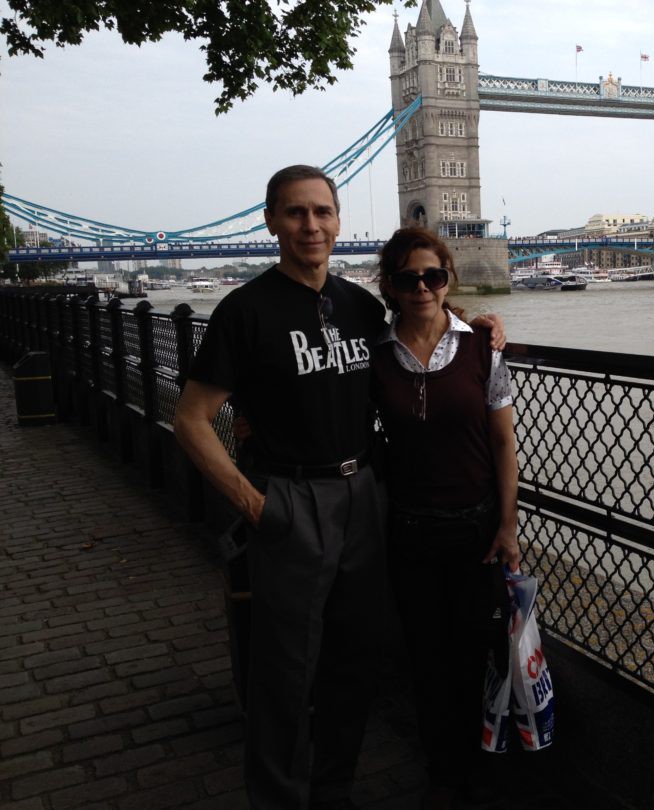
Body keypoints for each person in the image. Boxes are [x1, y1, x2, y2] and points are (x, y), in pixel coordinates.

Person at [173, 166, 502, 809]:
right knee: (286, 674)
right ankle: (280, 797)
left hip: (364, 494)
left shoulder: (358, 306)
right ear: (271, 222)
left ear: (339, 220)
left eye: (323, 212)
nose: (312, 226)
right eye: (296, 214)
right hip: (290, 498)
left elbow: (423, 323)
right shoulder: (245, 311)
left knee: (356, 662)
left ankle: (333, 792)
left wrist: (482, 326)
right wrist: (256, 507)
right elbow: (189, 420)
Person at [372, 226, 521, 808]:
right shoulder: (376, 357)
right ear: (391, 286)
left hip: (476, 529)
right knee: (425, 659)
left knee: (474, 655)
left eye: (432, 276)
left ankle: (480, 770)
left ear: (448, 278)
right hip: (408, 529)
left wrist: (508, 527)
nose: (421, 288)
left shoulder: (484, 349)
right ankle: (442, 772)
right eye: (408, 278)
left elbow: (505, 444)